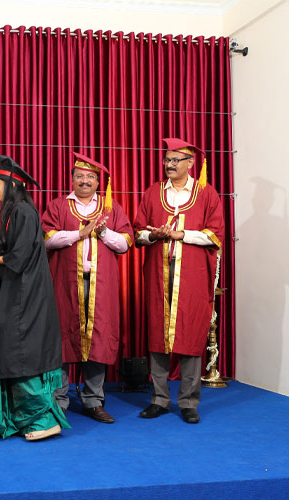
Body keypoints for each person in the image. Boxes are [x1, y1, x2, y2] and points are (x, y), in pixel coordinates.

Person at [0, 154, 70, 441]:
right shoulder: (15, 212)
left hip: (26, 296)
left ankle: (44, 420)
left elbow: (19, 257)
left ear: (12, 185)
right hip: (20, 292)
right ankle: (24, 417)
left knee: (21, 354)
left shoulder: (22, 211)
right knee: (15, 353)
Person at [134, 138, 225, 424]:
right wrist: (154, 235)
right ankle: (160, 399)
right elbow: (138, 232)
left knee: (191, 333)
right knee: (157, 333)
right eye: (167, 160)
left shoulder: (206, 193)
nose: (169, 165)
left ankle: (188, 402)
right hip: (159, 272)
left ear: (190, 163)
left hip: (192, 274)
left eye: (175, 160)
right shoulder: (153, 192)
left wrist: (181, 235)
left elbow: (215, 234)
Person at [42, 153, 133, 424]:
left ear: (98, 182)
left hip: (100, 286)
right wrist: (79, 234)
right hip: (65, 283)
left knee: (98, 339)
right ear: (72, 179)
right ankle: (59, 401)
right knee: (61, 338)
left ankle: (94, 400)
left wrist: (103, 232)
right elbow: (47, 239)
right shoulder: (58, 206)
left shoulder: (111, 207)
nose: (85, 181)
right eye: (80, 176)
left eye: (90, 177)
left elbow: (126, 243)